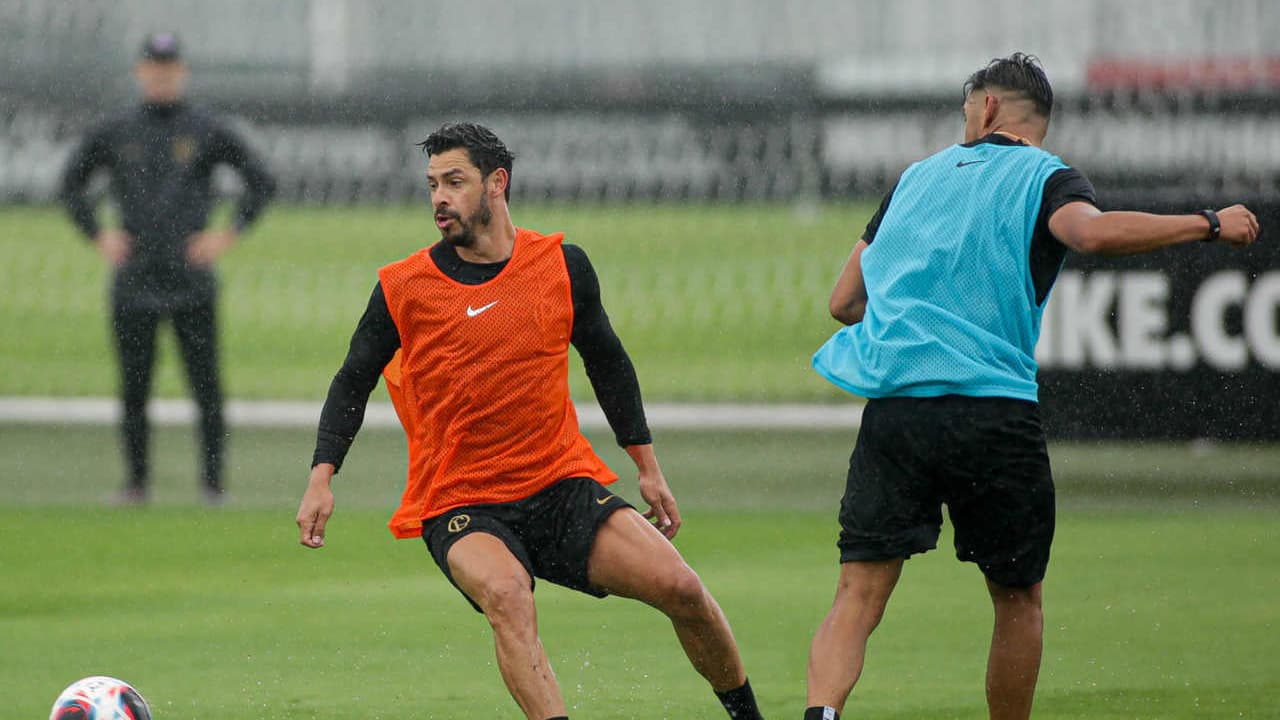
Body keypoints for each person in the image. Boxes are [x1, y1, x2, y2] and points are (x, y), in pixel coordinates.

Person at [804, 53, 1259, 720]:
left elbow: (845, 302)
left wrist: (919, 300)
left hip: (897, 415)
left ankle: (821, 716)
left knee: (858, 595)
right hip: (992, 413)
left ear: (987, 107)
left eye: (966, 110)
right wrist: (1209, 223)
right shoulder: (1047, 179)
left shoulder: (914, 181)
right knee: (1017, 598)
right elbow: (1093, 236)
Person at [294, 122, 765, 720]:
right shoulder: (403, 286)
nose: (439, 197)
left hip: (560, 487)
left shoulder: (562, 266)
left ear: (498, 183)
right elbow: (351, 381)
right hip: (461, 501)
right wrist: (321, 476)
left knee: (684, 590)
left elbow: (608, 363)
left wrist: (647, 468)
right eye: (432, 184)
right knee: (508, 596)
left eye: (455, 182)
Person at [60, 32, 276, 505]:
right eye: (153, 67)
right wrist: (98, 233)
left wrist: (226, 233)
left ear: (182, 72)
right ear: (141, 72)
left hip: (190, 280)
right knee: (134, 387)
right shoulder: (116, 129)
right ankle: (136, 485)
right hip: (134, 279)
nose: (161, 75)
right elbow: (70, 184)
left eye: (170, 67)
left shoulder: (206, 128)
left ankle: (213, 487)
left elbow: (261, 182)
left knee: (206, 386)